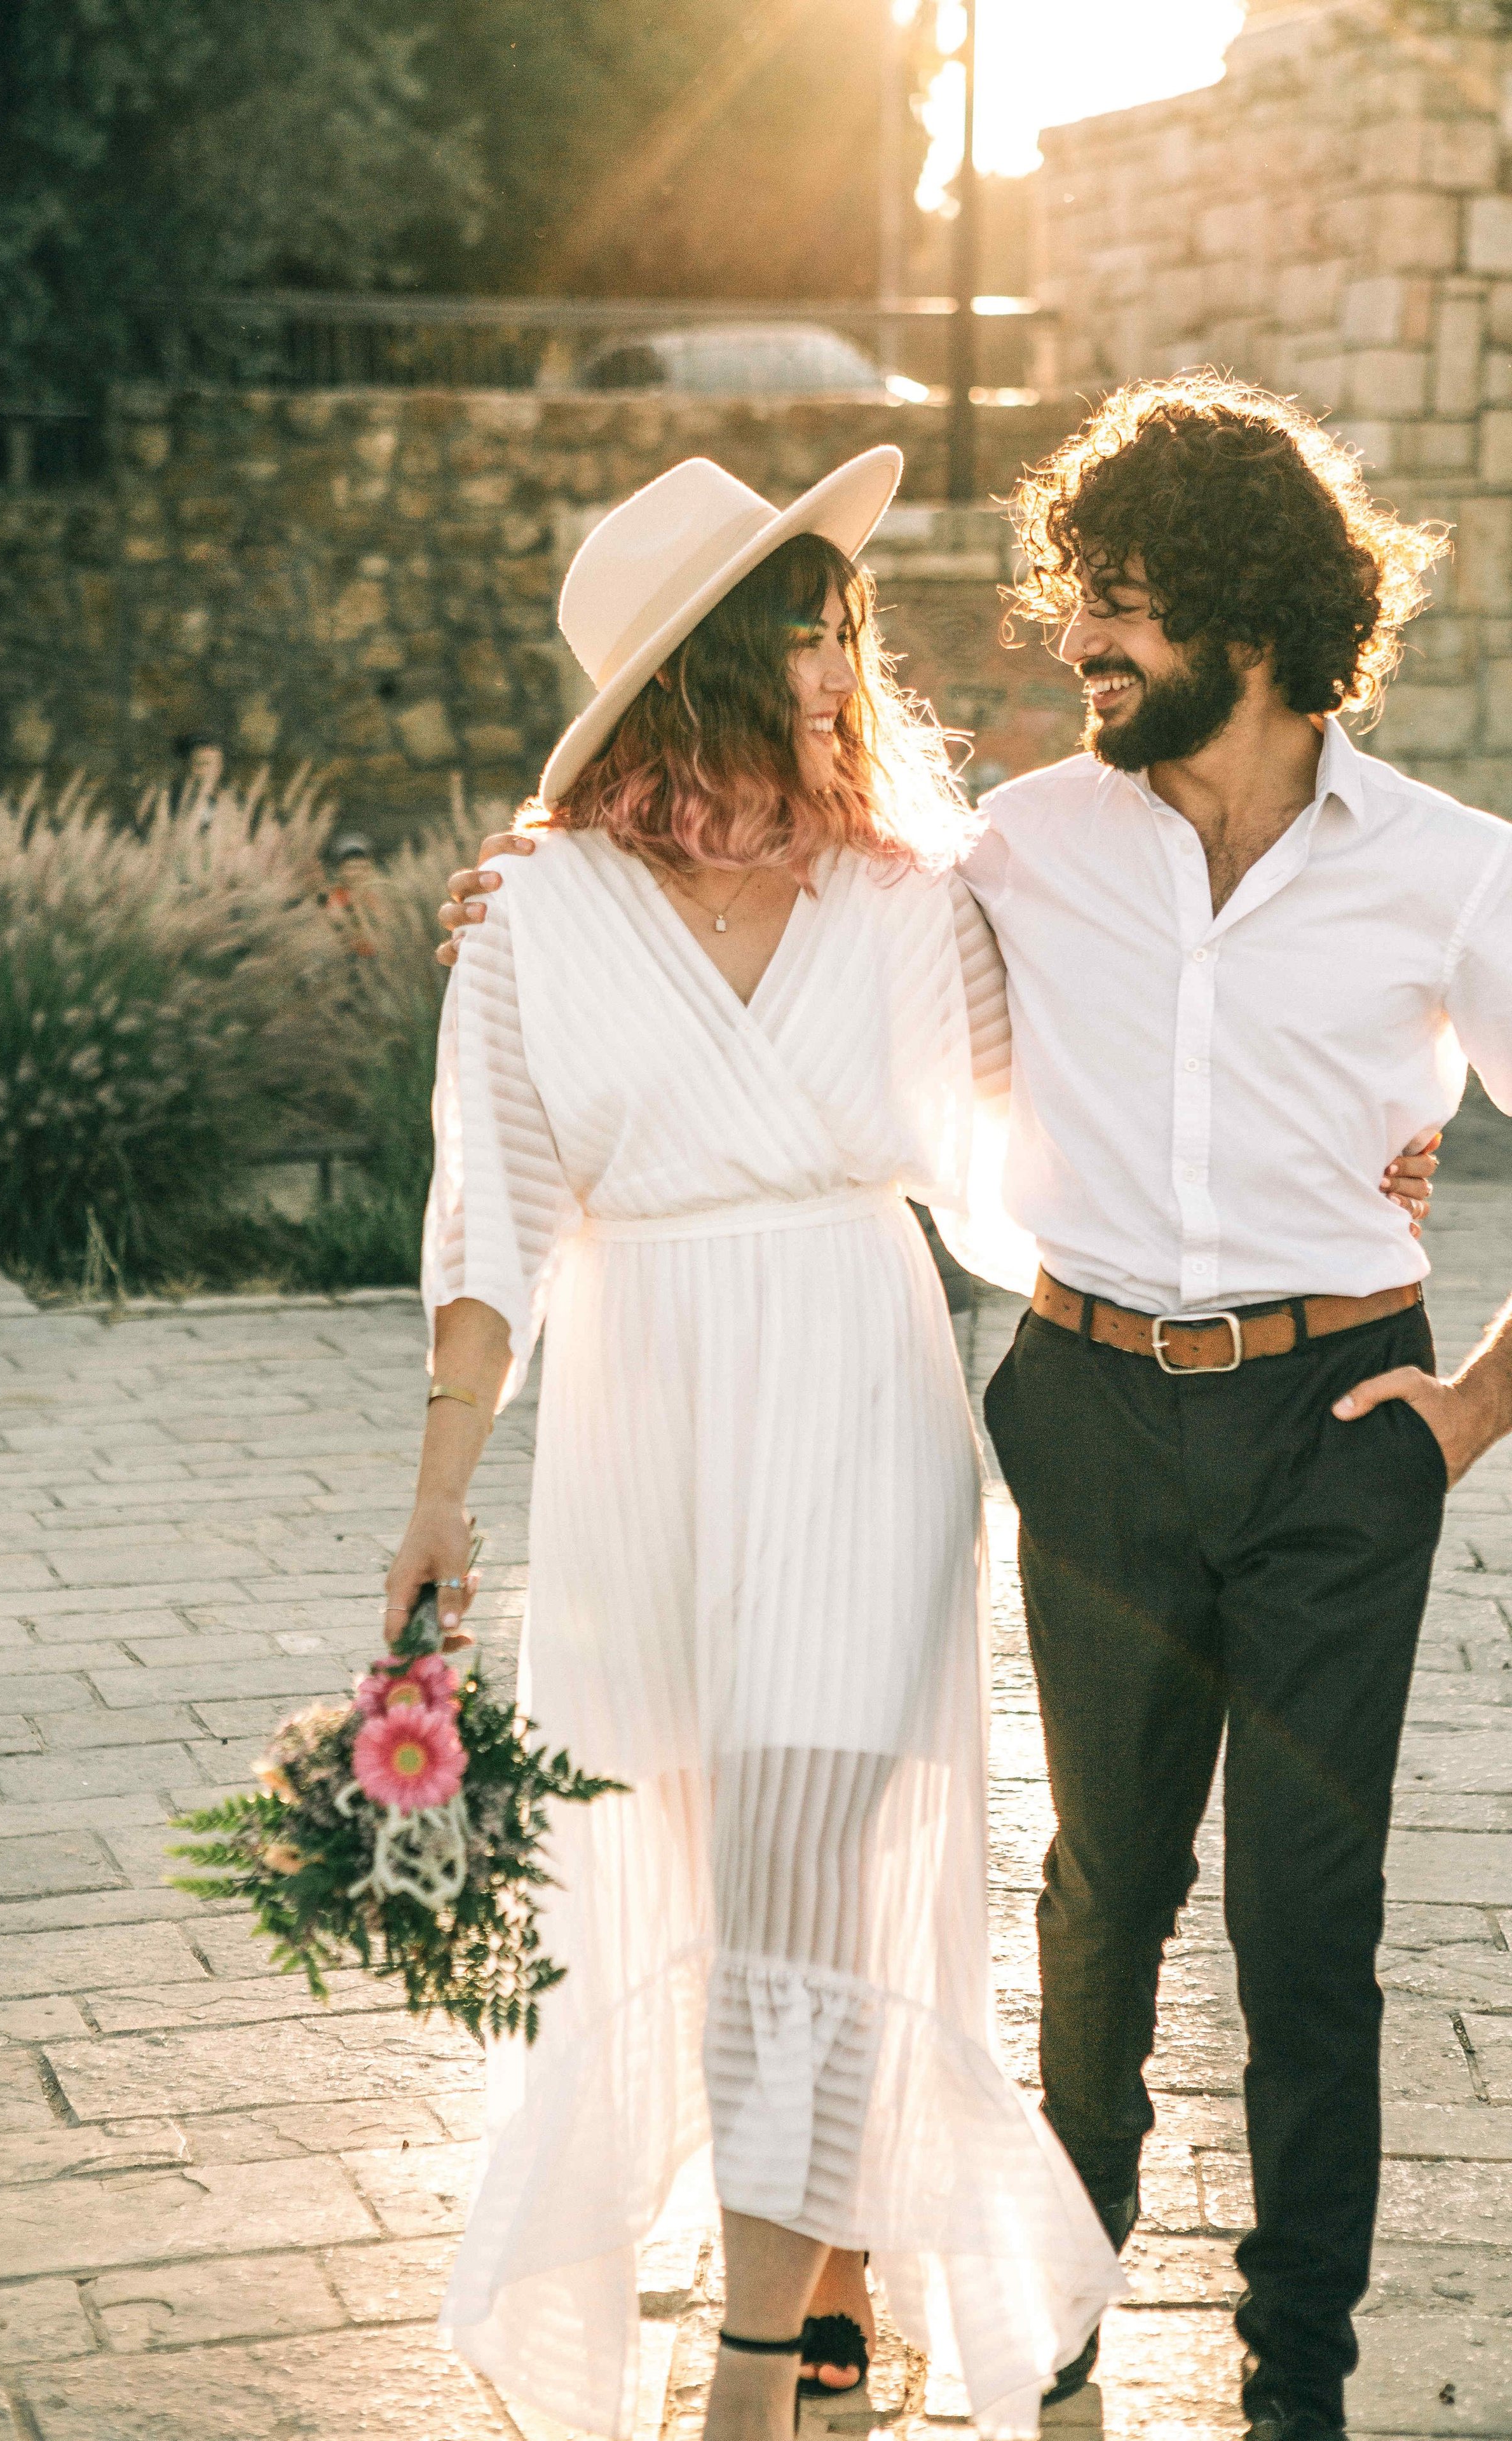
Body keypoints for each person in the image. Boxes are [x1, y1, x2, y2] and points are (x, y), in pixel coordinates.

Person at [438, 376, 1497, 2441]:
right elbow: (792, 935)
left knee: (1308, 1917)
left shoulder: (1447, 871)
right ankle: (1048, 2331)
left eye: (1122, 601)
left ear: (1252, 614)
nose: (1073, 636)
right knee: (1098, 1895)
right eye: (1076, 594)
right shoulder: (1017, 846)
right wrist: (535, 900)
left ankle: (1291, 2379)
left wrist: (1464, 1411)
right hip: (1081, 1410)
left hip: (1328, 1429)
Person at [390, 446, 1127, 2441]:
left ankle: (741, 2376)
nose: (836, 655)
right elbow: (492, 1219)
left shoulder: (910, 894)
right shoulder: (536, 910)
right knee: (726, 1898)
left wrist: (1323, 1161)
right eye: (798, 621)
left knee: (800, 1866)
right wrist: (441, 1494)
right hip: (641, 1432)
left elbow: (1041, 1149)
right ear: (696, 662)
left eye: (842, 620)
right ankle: (837, 2289)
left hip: (858, 1399)